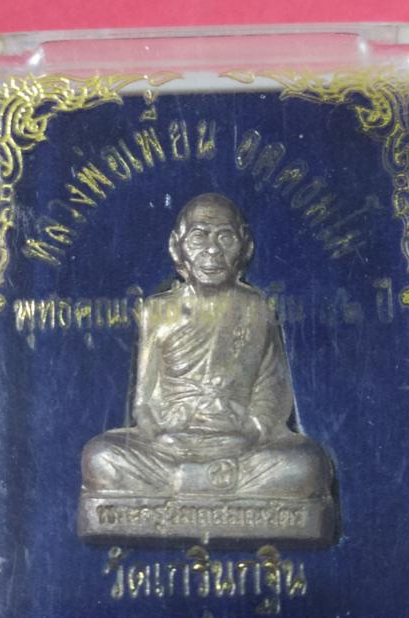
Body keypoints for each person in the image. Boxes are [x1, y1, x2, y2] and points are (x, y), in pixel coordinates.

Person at [81, 193, 334, 502]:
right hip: (169, 446)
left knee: (307, 465)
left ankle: (186, 484)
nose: (212, 250)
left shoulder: (257, 309)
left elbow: (272, 392)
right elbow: (144, 401)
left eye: (225, 237)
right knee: (100, 456)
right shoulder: (158, 311)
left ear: (245, 247)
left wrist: (248, 428)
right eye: (199, 237)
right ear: (177, 246)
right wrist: (163, 428)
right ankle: (204, 482)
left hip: (239, 446)